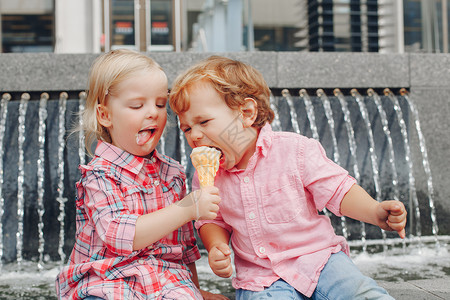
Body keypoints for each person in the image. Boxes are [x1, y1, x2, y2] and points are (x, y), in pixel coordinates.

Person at [169, 56, 407, 300]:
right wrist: (215, 246)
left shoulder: (295, 151)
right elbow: (213, 220)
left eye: (203, 122)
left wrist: (375, 211)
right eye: (186, 128)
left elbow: (338, 190)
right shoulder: (208, 176)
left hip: (320, 261)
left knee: (362, 294)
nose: (194, 136)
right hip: (260, 279)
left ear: (247, 113)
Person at [56, 49, 229, 300]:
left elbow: (184, 248)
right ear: (105, 115)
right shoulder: (100, 175)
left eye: (160, 104)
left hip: (167, 281)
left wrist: (196, 289)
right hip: (108, 280)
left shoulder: (173, 173)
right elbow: (119, 235)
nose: (153, 112)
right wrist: (188, 208)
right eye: (137, 105)